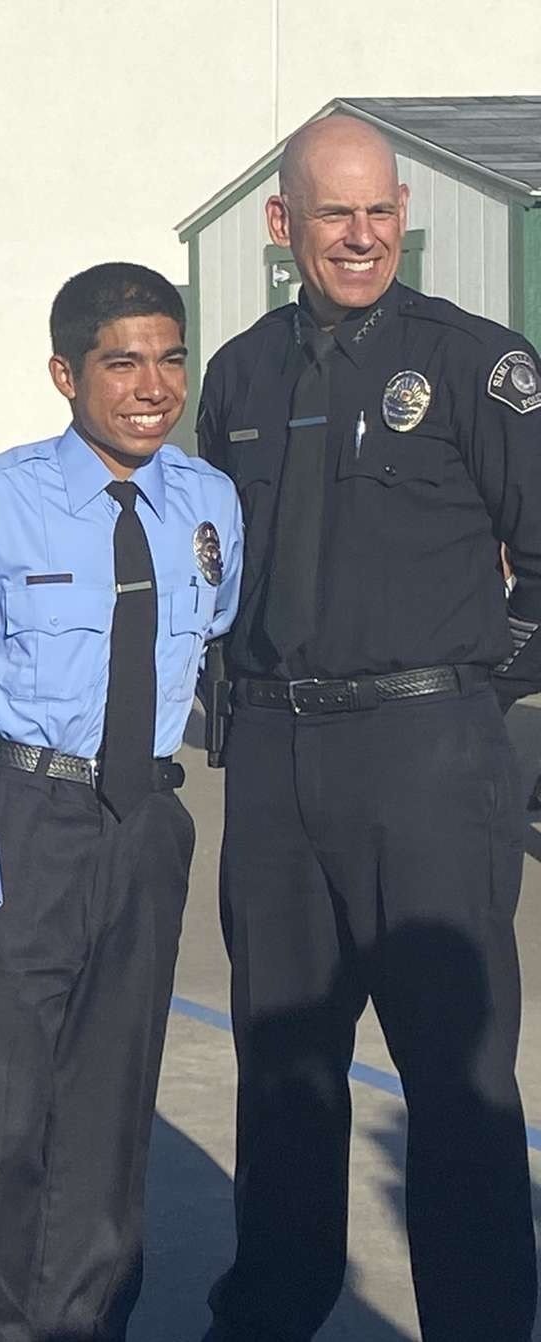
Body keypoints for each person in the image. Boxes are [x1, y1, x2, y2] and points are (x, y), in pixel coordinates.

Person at [197, 114, 539, 1342]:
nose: (360, 237)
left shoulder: (474, 361)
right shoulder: (239, 371)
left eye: (379, 213)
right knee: (282, 1066)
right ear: (284, 225)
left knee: (454, 1075)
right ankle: (275, 1307)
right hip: (279, 757)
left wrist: (475, 693)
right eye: (333, 215)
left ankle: (483, 1322)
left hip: (424, 754)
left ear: (403, 214)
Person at [0, 264, 241, 1342]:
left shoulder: (207, 502)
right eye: (122, 361)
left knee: (112, 1107)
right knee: (0, 1108)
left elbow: (210, 645)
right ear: (66, 373)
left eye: (170, 357)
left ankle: (88, 1323)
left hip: (144, 819)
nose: (152, 384)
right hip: (22, 813)